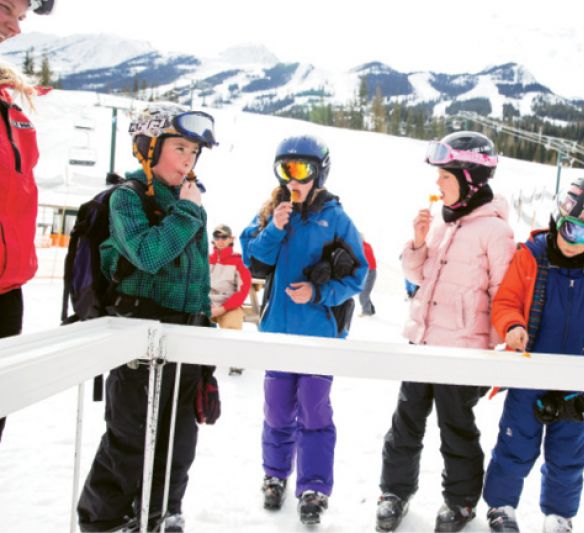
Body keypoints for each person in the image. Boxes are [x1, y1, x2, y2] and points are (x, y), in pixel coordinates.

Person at [77, 104, 218, 533]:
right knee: (130, 437)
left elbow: (198, 279)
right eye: (179, 148)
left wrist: (207, 349)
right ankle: (102, 522)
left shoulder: (187, 202)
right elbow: (150, 255)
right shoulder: (128, 198)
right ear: (147, 148)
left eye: (194, 152)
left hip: (186, 338)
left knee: (179, 440)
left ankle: (160, 511)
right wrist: (189, 213)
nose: (188, 160)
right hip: (138, 337)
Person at [376, 131, 515, 533]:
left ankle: (460, 502)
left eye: (445, 177)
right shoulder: (442, 221)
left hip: (463, 350)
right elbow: (416, 275)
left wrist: (498, 349)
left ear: (470, 178)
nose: (437, 184)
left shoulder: (496, 231)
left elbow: (503, 294)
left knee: (455, 429)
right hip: (422, 341)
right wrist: (418, 244)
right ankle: (393, 492)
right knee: (405, 423)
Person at [481, 178, 584, 533]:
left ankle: (559, 515)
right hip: (529, 373)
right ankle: (502, 506)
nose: (578, 244)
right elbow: (505, 300)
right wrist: (512, 326)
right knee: (515, 443)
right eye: (572, 230)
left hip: (577, 380)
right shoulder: (531, 256)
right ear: (557, 218)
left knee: (569, 454)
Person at [240, 135, 367, 526]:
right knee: (277, 409)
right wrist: (275, 227)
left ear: (320, 172)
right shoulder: (273, 210)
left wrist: (319, 292)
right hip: (278, 331)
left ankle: (313, 487)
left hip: (318, 336)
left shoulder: (336, 217)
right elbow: (253, 257)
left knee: (314, 411)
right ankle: (275, 476)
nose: (293, 179)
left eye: (302, 170)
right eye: (285, 169)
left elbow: (359, 274)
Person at [0, 0, 55, 444]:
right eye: (4, 8)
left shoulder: (8, 103)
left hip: (6, 292)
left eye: (20, 16)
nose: (14, 27)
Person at [209, 223, 252, 375]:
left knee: (233, 323)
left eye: (224, 237)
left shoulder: (238, 262)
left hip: (227, 305)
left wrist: (223, 308)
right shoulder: (206, 260)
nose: (220, 240)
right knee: (193, 321)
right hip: (207, 303)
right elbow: (197, 284)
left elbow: (243, 289)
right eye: (217, 236)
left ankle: (236, 362)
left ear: (230, 239)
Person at [359, 236, 377, 316]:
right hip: (369, 272)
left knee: (363, 294)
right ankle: (371, 309)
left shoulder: (361, 247)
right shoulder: (367, 245)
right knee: (365, 293)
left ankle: (367, 311)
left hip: (370, 272)